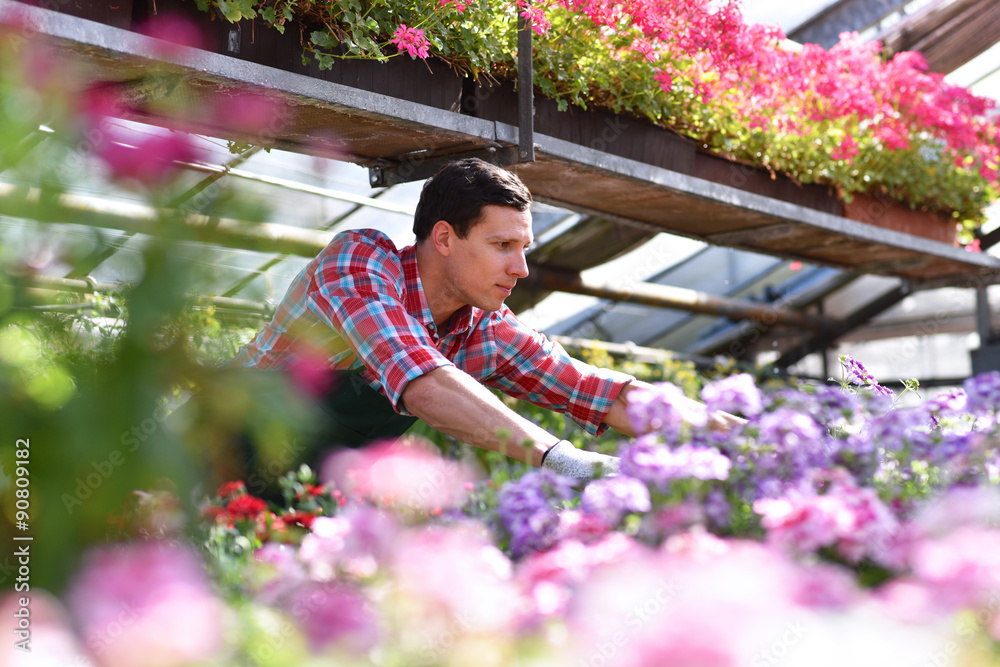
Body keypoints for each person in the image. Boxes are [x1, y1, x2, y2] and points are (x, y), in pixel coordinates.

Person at [230, 158, 737, 481]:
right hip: (192, 464)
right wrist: (560, 456)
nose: (520, 267)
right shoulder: (360, 262)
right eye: (502, 246)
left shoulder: (482, 329)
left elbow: (598, 393)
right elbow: (421, 381)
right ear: (446, 239)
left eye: (523, 247)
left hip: (296, 495)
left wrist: (744, 438)